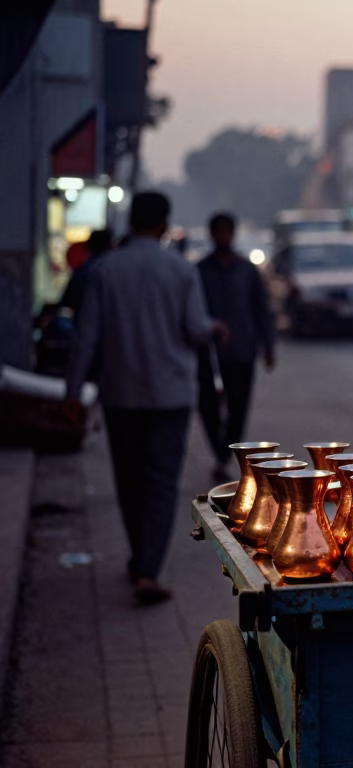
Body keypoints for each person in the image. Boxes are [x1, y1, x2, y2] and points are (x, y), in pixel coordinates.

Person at [65, 191, 227, 604]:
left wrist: (72, 393)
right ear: (163, 224)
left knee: (129, 478)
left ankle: (141, 558)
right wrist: (214, 329)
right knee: (160, 483)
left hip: (120, 393)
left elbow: (87, 336)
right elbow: (193, 329)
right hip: (170, 395)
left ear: (132, 221)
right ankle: (147, 569)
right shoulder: (180, 270)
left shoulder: (104, 270)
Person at [196, 211, 276, 481]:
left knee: (238, 408)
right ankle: (219, 450)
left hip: (242, 351)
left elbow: (262, 309)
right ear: (212, 234)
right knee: (208, 406)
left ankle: (224, 453)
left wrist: (268, 347)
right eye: (218, 231)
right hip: (208, 353)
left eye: (226, 231)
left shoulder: (246, 270)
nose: (222, 237)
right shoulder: (200, 270)